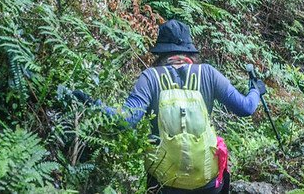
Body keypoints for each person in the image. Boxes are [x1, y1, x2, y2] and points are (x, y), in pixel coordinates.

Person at [75, 20, 266, 193]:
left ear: (161, 52)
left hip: (165, 181)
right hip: (206, 180)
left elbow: (126, 120)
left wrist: (91, 104)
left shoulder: (150, 77)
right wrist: (255, 89)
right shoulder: (208, 73)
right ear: (189, 51)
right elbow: (246, 108)